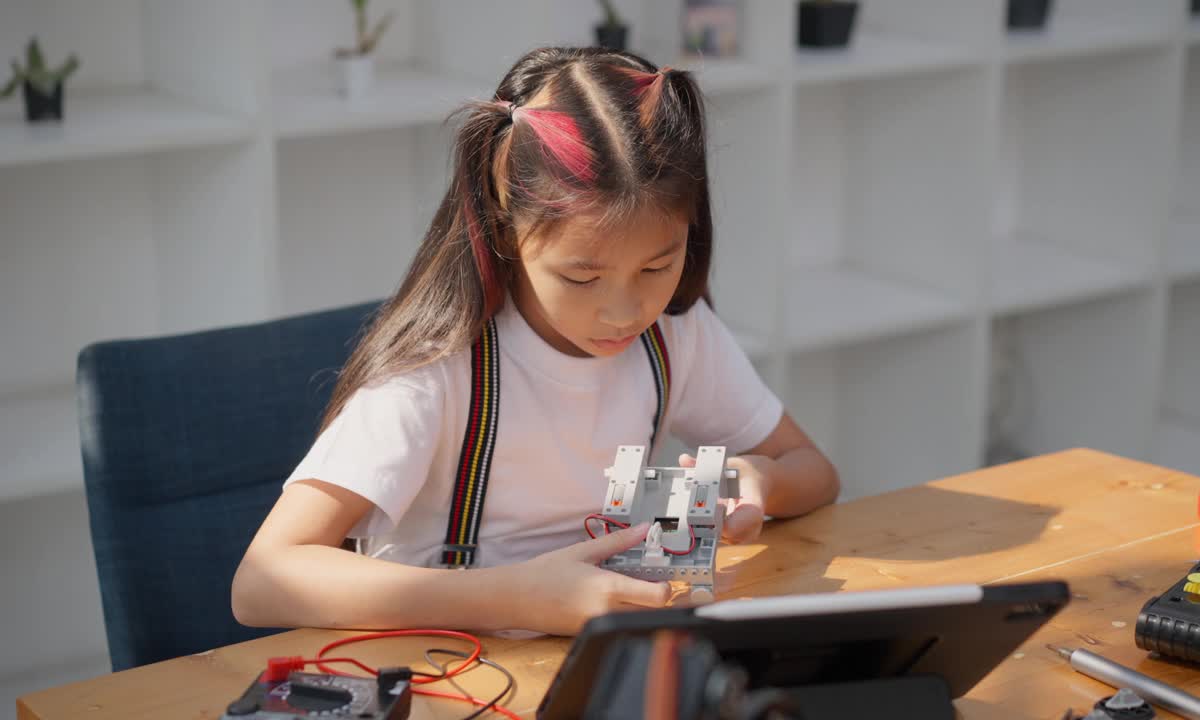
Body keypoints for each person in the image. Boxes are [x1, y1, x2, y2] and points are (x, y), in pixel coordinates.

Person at [231, 46, 838, 636]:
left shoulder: (675, 334)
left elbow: (814, 470)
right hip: (450, 669)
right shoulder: (439, 372)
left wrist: (761, 480)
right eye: (582, 275)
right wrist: (517, 597)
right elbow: (261, 582)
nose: (626, 311)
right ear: (505, 226)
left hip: (593, 657)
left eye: (658, 266)